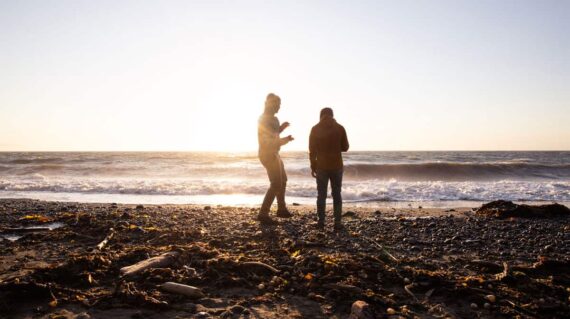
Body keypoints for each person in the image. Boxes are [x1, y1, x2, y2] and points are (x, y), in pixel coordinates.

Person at [309, 107, 349, 230]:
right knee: (337, 193)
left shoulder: (315, 129)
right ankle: (337, 223)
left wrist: (313, 165)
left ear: (320, 115)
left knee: (321, 194)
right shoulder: (340, 128)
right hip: (337, 165)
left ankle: (321, 221)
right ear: (332, 115)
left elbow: (312, 150)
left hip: (321, 166)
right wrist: (335, 146)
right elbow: (346, 147)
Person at [257, 93, 294, 224]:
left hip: (274, 153)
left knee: (283, 180)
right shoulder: (263, 119)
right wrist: (284, 140)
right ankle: (263, 213)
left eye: (280, 105)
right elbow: (267, 141)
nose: (279, 107)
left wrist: (281, 129)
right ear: (271, 104)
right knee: (276, 183)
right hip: (268, 154)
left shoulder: (274, 119)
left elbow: (273, 134)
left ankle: (281, 209)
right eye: (278, 104)